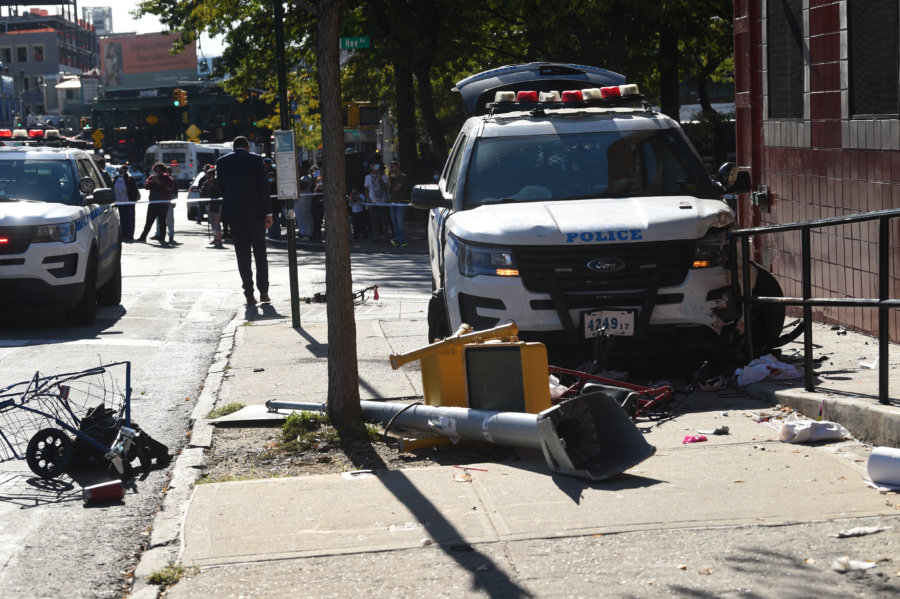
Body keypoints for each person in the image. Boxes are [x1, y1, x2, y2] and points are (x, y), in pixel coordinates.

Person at [215, 136, 273, 305]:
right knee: (260, 253)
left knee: (243, 255)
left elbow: (221, 187)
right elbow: (263, 187)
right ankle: (264, 292)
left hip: (235, 213)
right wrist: (268, 213)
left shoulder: (222, 161)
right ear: (247, 147)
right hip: (256, 212)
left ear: (234, 147)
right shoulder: (255, 160)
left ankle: (249, 294)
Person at [138, 162, 174, 247]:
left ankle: (162, 238)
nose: (158, 172)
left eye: (159, 170)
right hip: (153, 202)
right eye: (156, 170)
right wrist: (152, 181)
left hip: (163, 203)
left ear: (163, 170)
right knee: (149, 221)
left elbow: (168, 189)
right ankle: (143, 237)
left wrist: (158, 182)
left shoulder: (167, 178)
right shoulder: (152, 177)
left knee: (162, 221)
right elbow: (146, 186)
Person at [364, 162, 391, 243]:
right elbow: (366, 189)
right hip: (373, 201)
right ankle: (377, 237)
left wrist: (380, 178)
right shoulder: (367, 177)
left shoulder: (383, 176)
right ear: (370, 167)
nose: (375, 166)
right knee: (374, 220)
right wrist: (368, 199)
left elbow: (386, 187)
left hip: (383, 201)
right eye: (373, 165)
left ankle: (386, 237)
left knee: (384, 220)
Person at [113, 164, 139, 241]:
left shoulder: (130, 179)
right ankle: (123, 234)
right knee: (122, 218)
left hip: (128, 202)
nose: (120, 170)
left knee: (129, 219)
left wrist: (133, 200)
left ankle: (129, 234)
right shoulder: (116, 178)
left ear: (125, 170)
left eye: (122, 169)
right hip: (119, 202)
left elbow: (134, 190)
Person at [388, 160, 410, 247]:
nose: (392, 168)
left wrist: (391, 188)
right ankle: (397, 239)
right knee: (394, 222)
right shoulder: (392, 178)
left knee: (400, 222)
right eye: (391, 166)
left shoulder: (403, 176)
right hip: (392, 202)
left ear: (397, 166)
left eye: (393, 166)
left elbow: (397, 188)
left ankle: (402, 240)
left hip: (401, 203)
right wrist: (389, 177)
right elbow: (388, 187)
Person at [201, 166, 224, 248]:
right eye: (207, 174)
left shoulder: (218, 182)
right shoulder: (205, 183)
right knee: (212, 224)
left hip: (217, 205)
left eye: (209, 174)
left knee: (217, 223)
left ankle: (219, 240)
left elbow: (219, 192)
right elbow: (203, 193)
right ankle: (215, 238)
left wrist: (212, 184)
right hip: (209, 205)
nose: (207, 175)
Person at [294, 160, 313, 240]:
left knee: (306, 216)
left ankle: (309, 233)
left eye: (302, 168)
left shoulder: (307, 178)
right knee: (299, 215)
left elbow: (301, 187)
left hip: (305, 198)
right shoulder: (302, 177)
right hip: (299, 198)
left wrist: (298, 177)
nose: (300, 170)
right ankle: (302, 232)